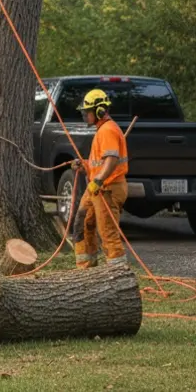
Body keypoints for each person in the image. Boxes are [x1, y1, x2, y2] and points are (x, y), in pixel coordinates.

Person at [71, 89, 130, 269]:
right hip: (97, 188)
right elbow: (100, 163)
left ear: (99, 111)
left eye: (86, 112)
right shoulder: (102, 130)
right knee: (82, 221)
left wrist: (98, 181)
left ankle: (117, 272)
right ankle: (85, 267)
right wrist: (85, 165)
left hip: (107, 189)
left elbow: (111, 160)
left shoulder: (108, 131)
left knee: (108, 233)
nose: (84, 116)